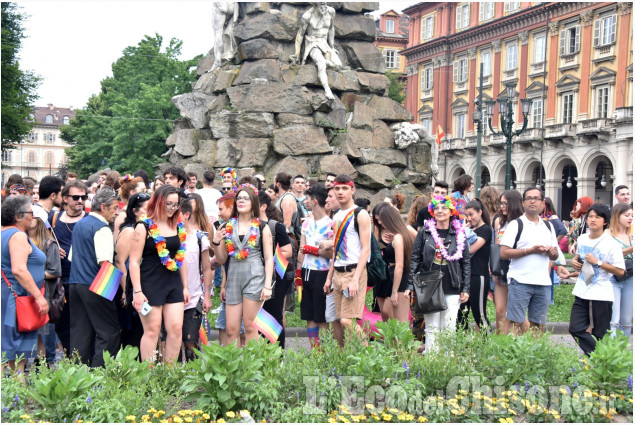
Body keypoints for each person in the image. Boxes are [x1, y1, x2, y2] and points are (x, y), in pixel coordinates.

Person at [129, 185, 189, 363]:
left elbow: (181, 258)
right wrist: (137, 291)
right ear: (158, 202)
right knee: (152, 330)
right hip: (150, 283)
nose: (172, 208)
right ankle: (147, 376)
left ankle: (169, 374)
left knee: (176, 328)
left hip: (173, 282)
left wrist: (185, 286)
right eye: (168, 204)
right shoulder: (143, 226)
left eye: (175, 205)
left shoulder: (178, 226)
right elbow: (133, 261)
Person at [405, 195, 470, 353]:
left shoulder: (459, 233)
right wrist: (410, 285)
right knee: (432, 326)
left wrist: (465, 288)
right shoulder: (425, 232)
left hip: (452, 284)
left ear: (451, 211)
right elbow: (415, 258)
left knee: (449, 326)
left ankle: (447, 363)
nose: (440, 211)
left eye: (444, 208)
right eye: (436, 208)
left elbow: (466, 262)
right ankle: (431, 361)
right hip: (429, 283)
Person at [211, 185, 274, 346]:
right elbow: (222, 259)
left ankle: (255, 367)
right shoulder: (227, 226)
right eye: (239, 198)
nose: (241, 201)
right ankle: (235, 369)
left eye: (246, 198)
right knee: (231, 329)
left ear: (253, 202)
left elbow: (268, 258)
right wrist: (216, 242)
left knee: (250, 326)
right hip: (233, 278)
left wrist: (267, 286)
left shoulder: (262, 226)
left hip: (255, 276)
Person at [68, 187, 121, 367]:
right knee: (109, 332)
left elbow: (71, 257)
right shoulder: (102, 228)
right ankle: (100, 375)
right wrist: (114, 292)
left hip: (75, 283)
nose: (117, 212)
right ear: (104, 207)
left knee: (80, 331)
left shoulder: (80, 224)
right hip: (97, 283)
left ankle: (77, 374)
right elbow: (105, 263)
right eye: (115, 208)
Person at [500, 188, 559, 336]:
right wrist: (530, 250)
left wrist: (552, 252)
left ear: (542, 203)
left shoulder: (548, 226)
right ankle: (511, 354)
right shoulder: (516, 224)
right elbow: (504, 252)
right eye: (529, 198)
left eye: (536, 198)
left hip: (543, 282)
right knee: (514, 321)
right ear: (523, 203)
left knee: (538, 324)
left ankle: (534, 356)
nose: (532, 201)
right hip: (520, 280)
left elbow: (556, 255)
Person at [1, 196, 48, 375]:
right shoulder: (17, 235)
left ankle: (16, 393)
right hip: (17, 299)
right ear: (18, 216)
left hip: (12, 297)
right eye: (31, 213)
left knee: (13, 355)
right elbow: (19, 269)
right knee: (10, 352)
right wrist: (38, 296)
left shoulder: (4, 233)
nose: (33, 216)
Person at [569, 204, 625, 355]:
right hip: (582, 290)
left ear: (605, 221)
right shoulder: (582, 239)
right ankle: (598, 356)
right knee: (575, 328)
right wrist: (575, 262)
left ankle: (604, 363)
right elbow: (579, 257)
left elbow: (620, 271)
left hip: (601, 293)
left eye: (597, 217)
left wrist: (598, 262)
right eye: (590, 216)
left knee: (601, 334)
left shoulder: (611, 244)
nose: (593, 220)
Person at [323, 175, 371, 347]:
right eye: (337, 188)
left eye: (345, 188)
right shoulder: (336, 215)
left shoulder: (360, 213)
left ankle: (370, 355)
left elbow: (366, 249)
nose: (340, 192)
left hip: (353, 272)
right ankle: (347, 360)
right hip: (337, 271)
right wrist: (329, 277)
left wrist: (355, 279)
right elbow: (336, 248)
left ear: (353, 190)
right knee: (339, 322)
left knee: (347, 321)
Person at [52, 180, 89, 356]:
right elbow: (38, 245)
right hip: (62, 281)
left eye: (83, 197)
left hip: (85, 281)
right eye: (76, 197)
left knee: (83, 323)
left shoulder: (90, 219)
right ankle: (69, 358)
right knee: (62, 323)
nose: (80, 200)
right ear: (65, 198)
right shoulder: (54, 219)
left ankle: (84, 361)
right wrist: (51, 249)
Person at [297, 184, 333, 348]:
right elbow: (301, 250)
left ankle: (325, 354)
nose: (305, 202)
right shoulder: (306, 224)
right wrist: (298, 274)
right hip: (306, 272)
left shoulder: (330, 224)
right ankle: (315, 352)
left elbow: (333, 254)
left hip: (323, 273)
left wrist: (314, 251)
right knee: (309, 315)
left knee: (321, 316)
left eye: (307, 199)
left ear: (315, 201)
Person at [114, 193, 151, 353]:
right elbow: (120, 261)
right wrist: (125, 290)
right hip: (129, 287)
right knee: (134, 330)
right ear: (135, 211)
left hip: (141, 283)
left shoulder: (145, 228)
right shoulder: (130, 230)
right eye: (147, 208)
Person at [180, 195, 213, 360]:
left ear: (186, 214)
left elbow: (207, 268)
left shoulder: (200, 238)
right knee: (170, 339)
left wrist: (207, 296)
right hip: (171, 297)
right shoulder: (166, 238)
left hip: (193, 298)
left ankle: (194, 374)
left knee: (190, 340)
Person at [258, 191, 293, 348]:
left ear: (263, 206)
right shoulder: (244, 226)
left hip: (275, 277)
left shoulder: (274, 226)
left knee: (273, 315)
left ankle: (278, 354)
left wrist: (265, 258)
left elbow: (287, 251)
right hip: (254, 276)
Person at [291, 2, 345, 99]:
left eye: (325, 4)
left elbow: (331, 29)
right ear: (315, 5)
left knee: (338, 65)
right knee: (321, 63)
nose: (324, 7)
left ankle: (327, 62)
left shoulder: (330, 12)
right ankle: (327, 90)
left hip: (324, 43)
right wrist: (297, 53)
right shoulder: (307, 16)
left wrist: (332, 46)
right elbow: (300, 34)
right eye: (321, 5)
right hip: (312, 43)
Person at [213, 190, 245, 346]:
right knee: (223, 326)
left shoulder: (249, 227)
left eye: (221, 209)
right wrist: (216, 242)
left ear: (232, 208)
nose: (219, 213)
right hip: (231, 282)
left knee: (244, 329)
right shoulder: (224, 227)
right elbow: (223, 261)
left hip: (247, 284)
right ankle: (226, 360)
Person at [28, 216, 62, 368]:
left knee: (44, 328)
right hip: (29, 291)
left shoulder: (49, 244)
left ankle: (48, 361)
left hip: (45, 291)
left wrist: (31, 275)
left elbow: (55, 271)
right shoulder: (24, 243)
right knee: (36, 329)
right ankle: (39, 362)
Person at [492, 190, 524, 334]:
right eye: (501, 203)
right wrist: (493, 267)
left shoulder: (522, 222)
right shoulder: (499, 221)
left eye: (506, 203)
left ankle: (527, 342)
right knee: (500, 310)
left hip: (517, 268)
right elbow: (497, 246)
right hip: (502, 267)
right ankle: (500, 343)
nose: (502, 207)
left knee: (518, 314)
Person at [458, 199, 491, 332]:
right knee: (461, 313)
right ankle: (462, 344)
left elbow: (470, 250)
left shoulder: (486, 230)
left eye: (471, 215)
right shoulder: (469, 229)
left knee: (479, 313)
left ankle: (487, 343)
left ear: (480, 212)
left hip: (479, 275)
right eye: (467, 215)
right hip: (465, 276)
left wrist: (463, 232)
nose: (469, 218)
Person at [378, 205, 413, 323]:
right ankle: (393, 341)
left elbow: (399, 266)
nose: (381, 223)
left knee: (401, 324)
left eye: (382, 219)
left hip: (400, 281)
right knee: (388, 312)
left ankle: (401, 342)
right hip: (396, 279)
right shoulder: (399, 235)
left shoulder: (399, 237)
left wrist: (394, 291)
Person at [609, 203, 633, 335]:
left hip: (630, 277)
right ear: (617, 216)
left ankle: (622, 351)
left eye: (632, 216)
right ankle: (611, 351)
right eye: (626, 215)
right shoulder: (608, 235)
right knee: (614, 317)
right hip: (613, 277)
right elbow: (611, 254)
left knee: (627, 319)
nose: (630, 218)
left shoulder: (631, 236)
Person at [113, 175, 146, 241]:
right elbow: (117, 242)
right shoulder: (122, 216)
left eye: (146, 190)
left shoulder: (146, 212)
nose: (146, 193)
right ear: (132, 192)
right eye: (142, 191)